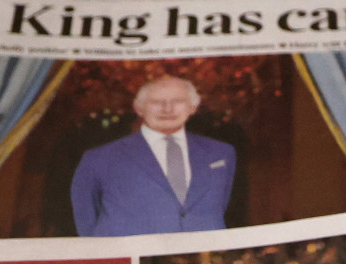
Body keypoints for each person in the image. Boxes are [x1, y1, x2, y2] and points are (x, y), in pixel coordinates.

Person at [70, 76, 235, 236]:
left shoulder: (221, 153)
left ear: (193, 106)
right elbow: (86, 220)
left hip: (205, 251)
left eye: (177, 101)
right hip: (135, 252)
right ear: (138, 108)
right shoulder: (100, 158)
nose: (168, 109)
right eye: (156, 102)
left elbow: (223, 205)